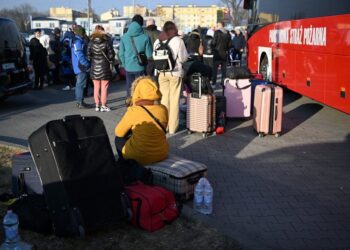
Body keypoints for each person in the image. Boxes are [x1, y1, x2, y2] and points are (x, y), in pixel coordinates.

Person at [114, 76, 169, 166]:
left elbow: (118, 132)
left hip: (139, 157)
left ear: (137, 92)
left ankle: (125, 164)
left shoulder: (134, 111)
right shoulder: (163, 109)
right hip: (162, 154)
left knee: (118, 139)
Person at [154, 21, 189, 134]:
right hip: (175, 73)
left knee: (164, 99)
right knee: (174, 100)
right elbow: (183, 59)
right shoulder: (178, 40)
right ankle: (173, 127)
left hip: (161, 73)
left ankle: (164, 125)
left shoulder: (157, 40)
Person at [118, 15, 153, 98]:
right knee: (140, 87)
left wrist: (124, 64)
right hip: (140, 67)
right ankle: (139, 106)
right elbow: (149, 54)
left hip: (128, 67)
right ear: (141, 24)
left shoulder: (124, 37)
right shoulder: (145, 37)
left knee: (129, 87)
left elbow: (121, 54)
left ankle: (130, 105)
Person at [87, 25, 115, 112]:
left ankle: (97, 105)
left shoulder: (90, 43)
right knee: (104, 88)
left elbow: (88, 56)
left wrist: (94, 58)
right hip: (105, 68)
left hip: (94, 68)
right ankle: (103, 105)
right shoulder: (106, 42)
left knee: (96, 87)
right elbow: (111, 55)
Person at [71, 25, 91, 109]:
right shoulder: (78, 42)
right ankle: (80, 102)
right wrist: (86, 63)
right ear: (81, 33)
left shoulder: (77, 40)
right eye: (83, 33)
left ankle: (80, 101)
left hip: (79, 65)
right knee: (80, 84)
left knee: (80, 84)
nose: (84, 34)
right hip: (81, 66)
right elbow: (79, 54)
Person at [211, 22, 231, 88]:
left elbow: (213, 42)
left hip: (217, 54)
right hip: (224, 53)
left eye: (217, 25)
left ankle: (214, 83)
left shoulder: (217, 32)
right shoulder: (227, 33)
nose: (216, 26)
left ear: (220, 25)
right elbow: (230, 44)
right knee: (223, 70)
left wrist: (213, 50)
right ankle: (223, 83)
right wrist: (226, 49)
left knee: (215, 70)